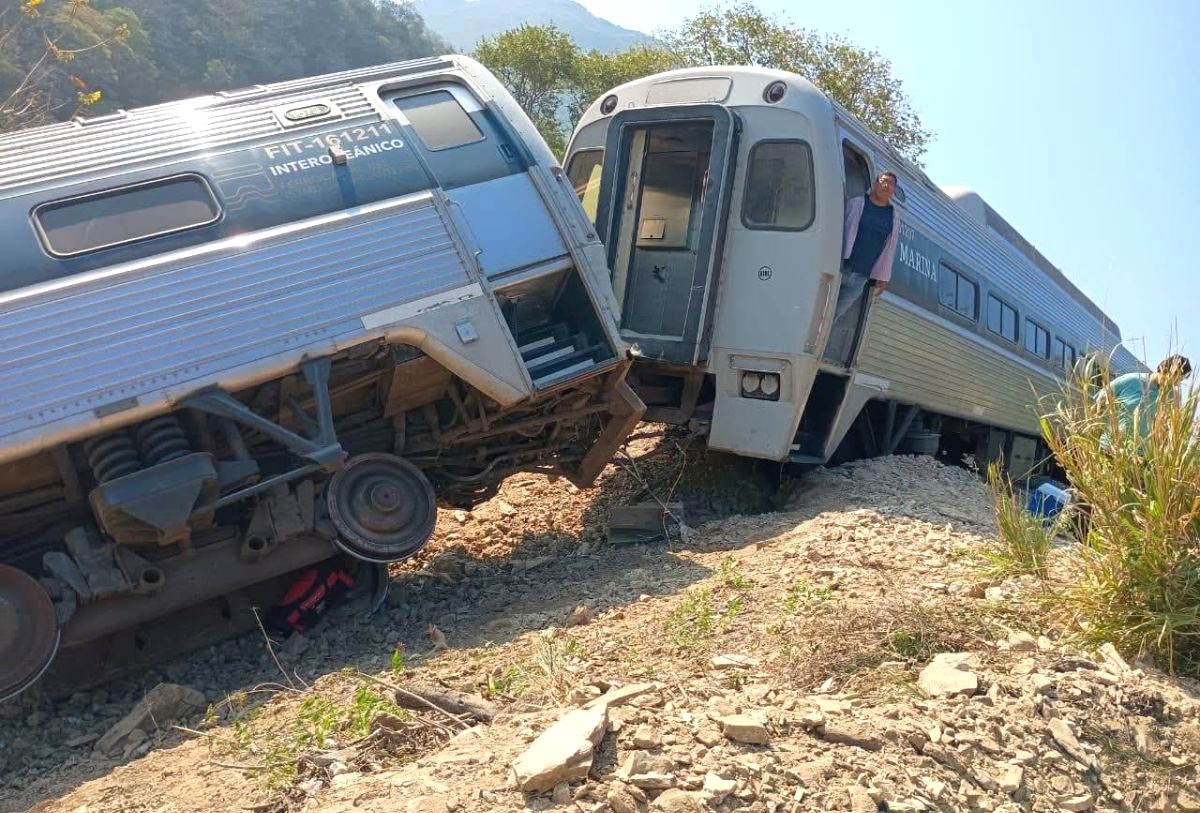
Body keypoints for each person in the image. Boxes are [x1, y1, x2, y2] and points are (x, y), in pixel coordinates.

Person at [834, 172, 902, 320]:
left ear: (894, 190)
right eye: (883, 181)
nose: (886, 185)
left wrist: (884, 276)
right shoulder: (856, 203)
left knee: (835, 314)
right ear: (875, 184)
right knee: (821, 307)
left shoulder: (894, 217)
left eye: (891, 183)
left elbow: (890, 248)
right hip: (840, 266)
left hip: (861, 276)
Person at [1098, 354, 1192, 447]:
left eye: (1179, 381)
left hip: (1139, 453)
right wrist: (1103, 423)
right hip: (1109, 446)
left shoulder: (1170, 397)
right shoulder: (1132, 380)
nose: (1176, 384)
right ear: (1165, 370)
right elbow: (1102, 398)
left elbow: (1170, 426)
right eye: (1175, 379)